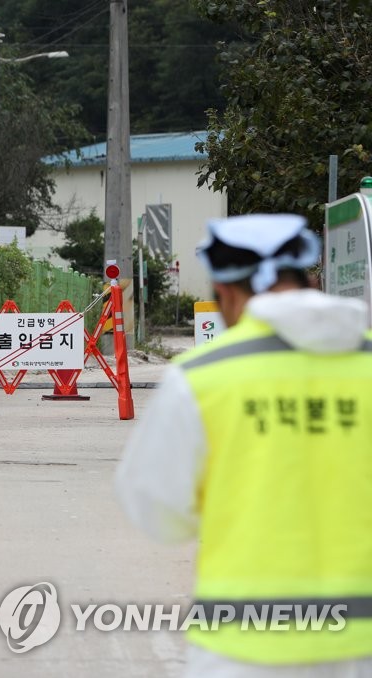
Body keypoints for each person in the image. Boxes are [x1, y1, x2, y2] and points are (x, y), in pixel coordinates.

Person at [116, 214, 372, 676]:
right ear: (310, 277)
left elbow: (159, 514)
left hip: (241, 648)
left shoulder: (201, 379)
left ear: (226, 292)